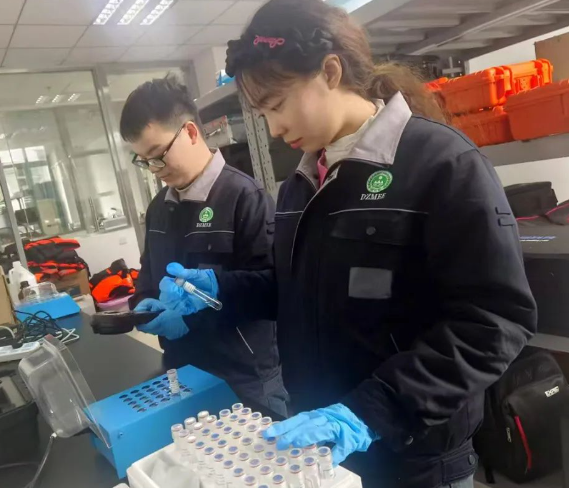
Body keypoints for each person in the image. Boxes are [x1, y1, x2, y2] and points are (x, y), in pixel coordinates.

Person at [154, 1, 537, 487]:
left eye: (277, 105)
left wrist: (370, 412)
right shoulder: (300, 184)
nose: (273, 128)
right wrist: (217, 291)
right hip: (318, 443)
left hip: (412, 454)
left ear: (331, 72)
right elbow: (292, 289)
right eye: (263, 112)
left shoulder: (443, 164)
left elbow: (493, 322)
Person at [120, 75, 289, 415]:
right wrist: (143, 305)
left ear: (191, 132)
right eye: (143, 160)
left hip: (243, 377)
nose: (154, 170)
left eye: (158, 155)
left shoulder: (246, 197)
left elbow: (271, 291)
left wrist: (196, 315)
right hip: (181, 370)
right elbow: (147, 275)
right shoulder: (158, 209)